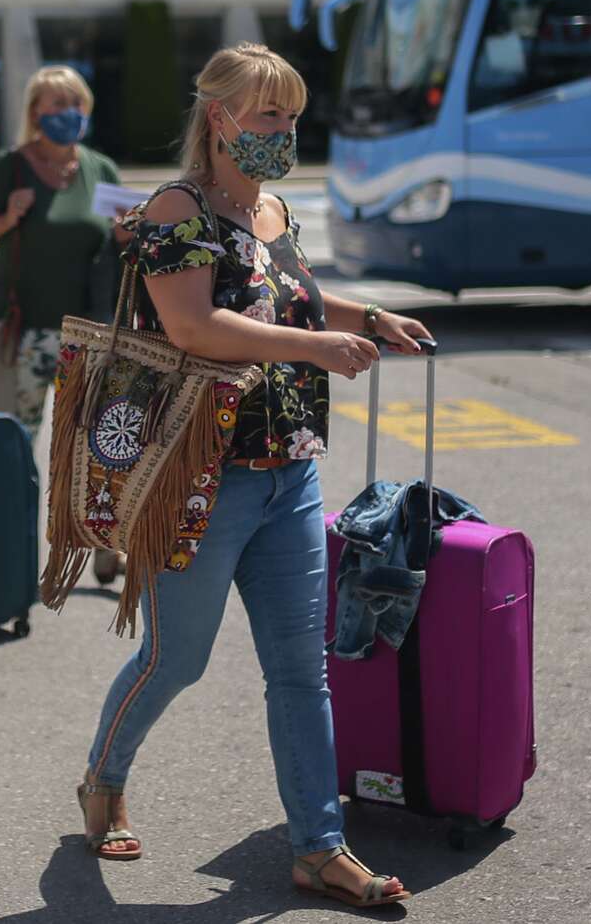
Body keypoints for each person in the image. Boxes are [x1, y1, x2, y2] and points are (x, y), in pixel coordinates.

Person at [73, 44, 433, 911]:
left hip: (290, 472)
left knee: (299, 671)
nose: (285, 131)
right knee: (175, 659)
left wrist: (372, 317)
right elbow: (196, 327)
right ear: (220, 118)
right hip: (199, 476)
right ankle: (103, 777)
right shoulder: (176, 210)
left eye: (291, 116)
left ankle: (319, 848)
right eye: (268, 115)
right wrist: (316, 347)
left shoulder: (272, 209)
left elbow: (295, 299)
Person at [0, 64, 123, 440]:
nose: (70, 111)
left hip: (88, 334)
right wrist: (7, 217)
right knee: (15, 438)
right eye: (59, 102)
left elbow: (119, 247)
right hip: (20, 332)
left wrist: (129, 233)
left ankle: (61, 503)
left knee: (80, 445)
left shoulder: (101, 171)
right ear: (35, 112)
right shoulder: (8, 168)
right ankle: (16, 502)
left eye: (77, 102)